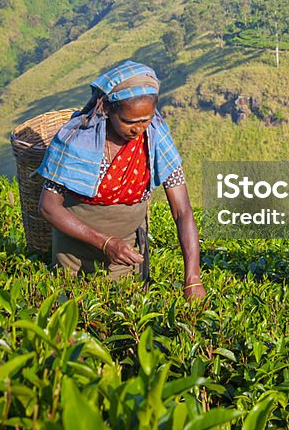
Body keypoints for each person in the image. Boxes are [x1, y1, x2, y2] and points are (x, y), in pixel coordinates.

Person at [36, 60, 206, 301]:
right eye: (129, 122)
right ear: (106, 109)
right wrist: (105, 243)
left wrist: (192, 279)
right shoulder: (77, 140)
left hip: (125, 252)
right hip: (73, 253)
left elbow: (183, 211)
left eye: (146, 119)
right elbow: (48, 207)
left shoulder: (156, 139)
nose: (138, 129)